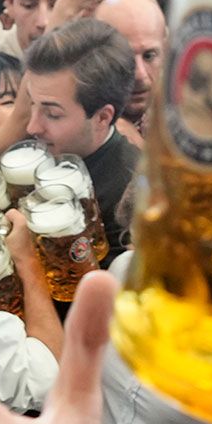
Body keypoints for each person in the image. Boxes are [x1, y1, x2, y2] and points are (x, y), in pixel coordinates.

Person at [21, 17, 143, 255]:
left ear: (102, 118)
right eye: (31, 103)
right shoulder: (51, 150)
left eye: (52, 114)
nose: (32, 127)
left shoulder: (128, 200)